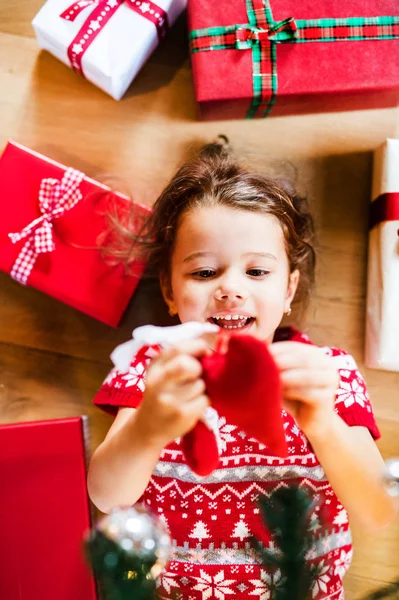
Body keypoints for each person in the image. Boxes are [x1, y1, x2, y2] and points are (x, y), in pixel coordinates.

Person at [88, 139, 397, 600]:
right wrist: (147, 429)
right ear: (170, 292)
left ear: (289, 289)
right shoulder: (156, 367)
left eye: (257, 273)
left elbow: (376, 512)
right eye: (205, 272)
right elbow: (107, 496)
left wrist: (322, 424)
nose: (230, 289)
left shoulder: (326, 372)